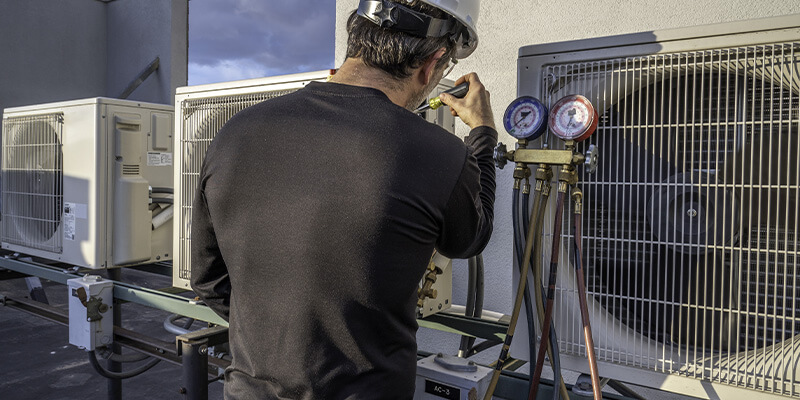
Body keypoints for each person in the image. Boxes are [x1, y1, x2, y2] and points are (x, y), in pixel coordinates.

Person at [191, 0, 496, 398]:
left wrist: (273, 335)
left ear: (356, 38)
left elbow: (209, 279)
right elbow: (470, 238)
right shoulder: (438, 152)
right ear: (433, 63)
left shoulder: (236, 133)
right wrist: (483, 135)